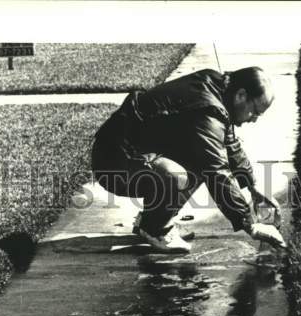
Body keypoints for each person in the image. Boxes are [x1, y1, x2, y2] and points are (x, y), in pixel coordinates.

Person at [91, 66, 286, 254]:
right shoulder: (210, 108)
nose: (254, 119)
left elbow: (228, 144)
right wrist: (250, 224)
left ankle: (152, 221)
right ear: (241, 95)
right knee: (181, 172)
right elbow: (217, 172)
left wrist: (253, 186)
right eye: (255, 112)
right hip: (113, 164)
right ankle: (155, 230)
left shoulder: (216, 88)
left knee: (201, 157)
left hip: (132, 153)